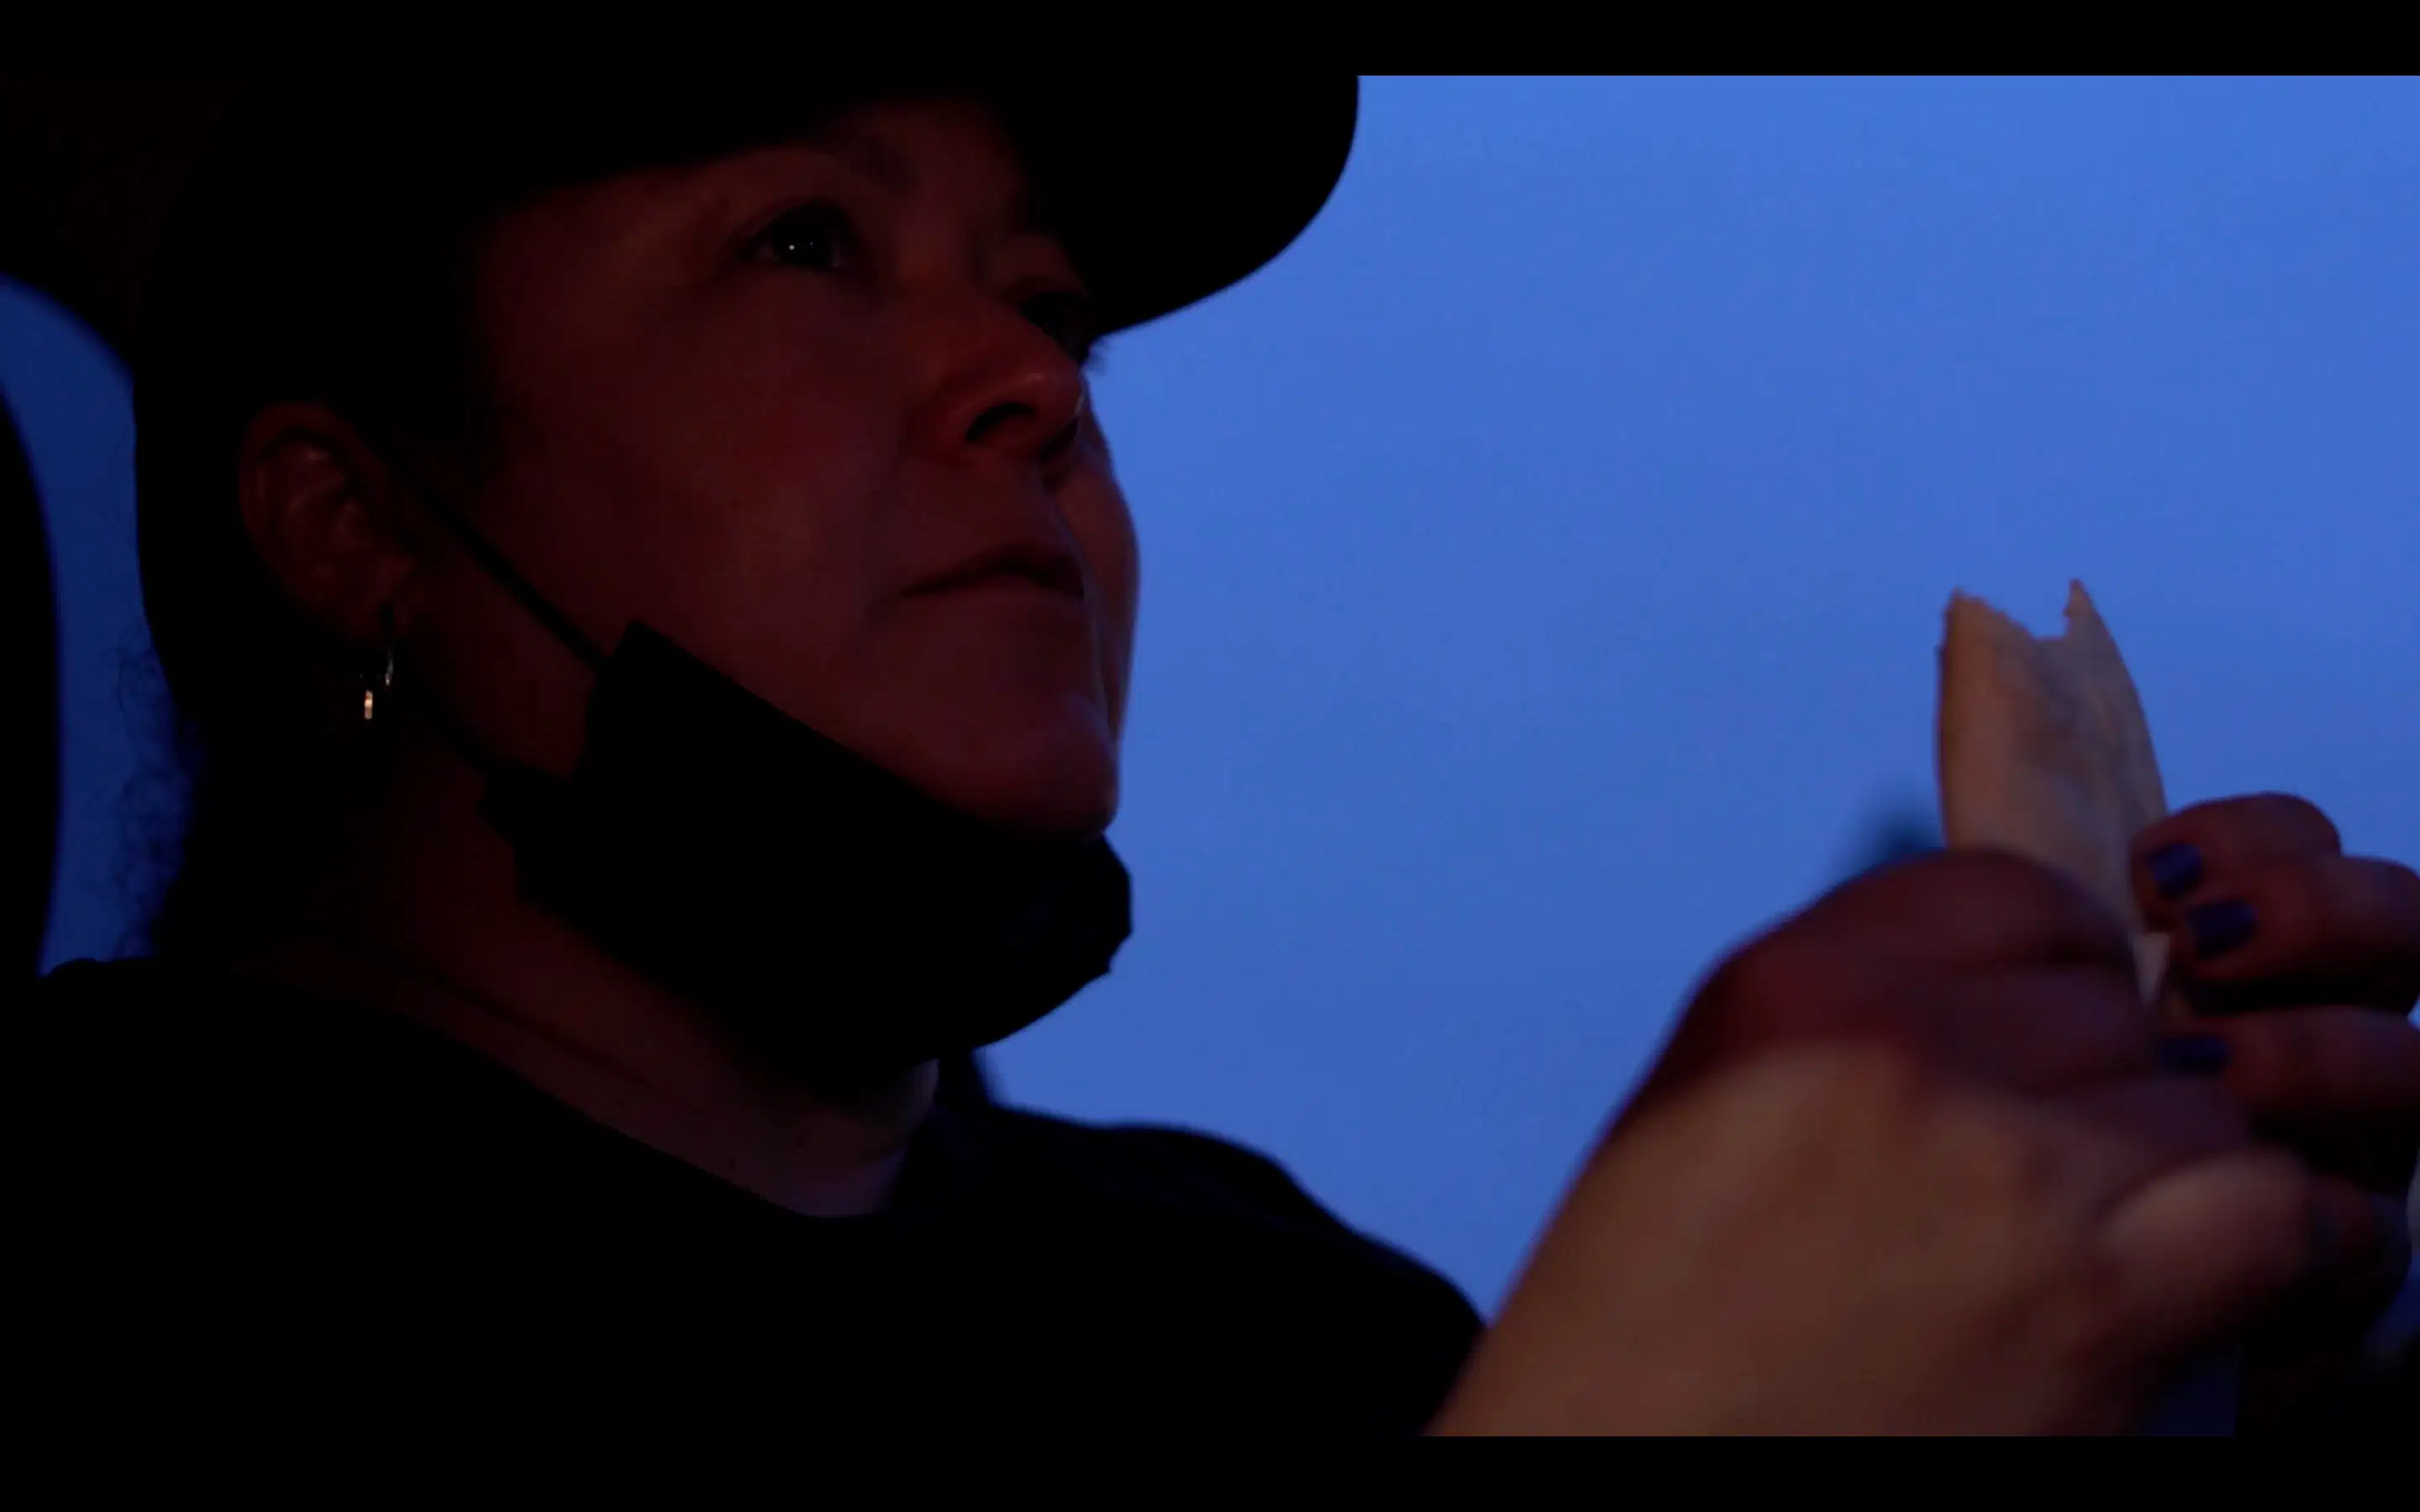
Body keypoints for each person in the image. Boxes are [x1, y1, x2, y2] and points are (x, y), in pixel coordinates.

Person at [5, 71, 2413, 1436]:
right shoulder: (95, 1272)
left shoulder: (1276, 1329)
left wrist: (2216, 1365)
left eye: (1050, 305)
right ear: (350, 524)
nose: (1035, 383)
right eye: (807, 244)